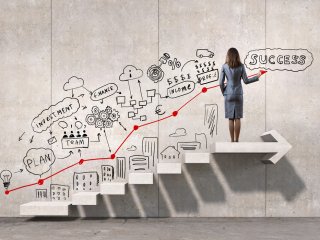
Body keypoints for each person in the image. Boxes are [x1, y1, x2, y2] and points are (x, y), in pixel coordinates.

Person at [219, 48, 261, 142]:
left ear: (228, 55)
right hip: (238, 94)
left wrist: (224, 92)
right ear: (237, 55)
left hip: (228, 94)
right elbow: (246, 81)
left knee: (231, 118)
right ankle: (237, 140)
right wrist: (256, 77)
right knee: (237, 117)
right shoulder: (241, 66)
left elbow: (220, 83)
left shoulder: (224, 66)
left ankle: (231, 140)